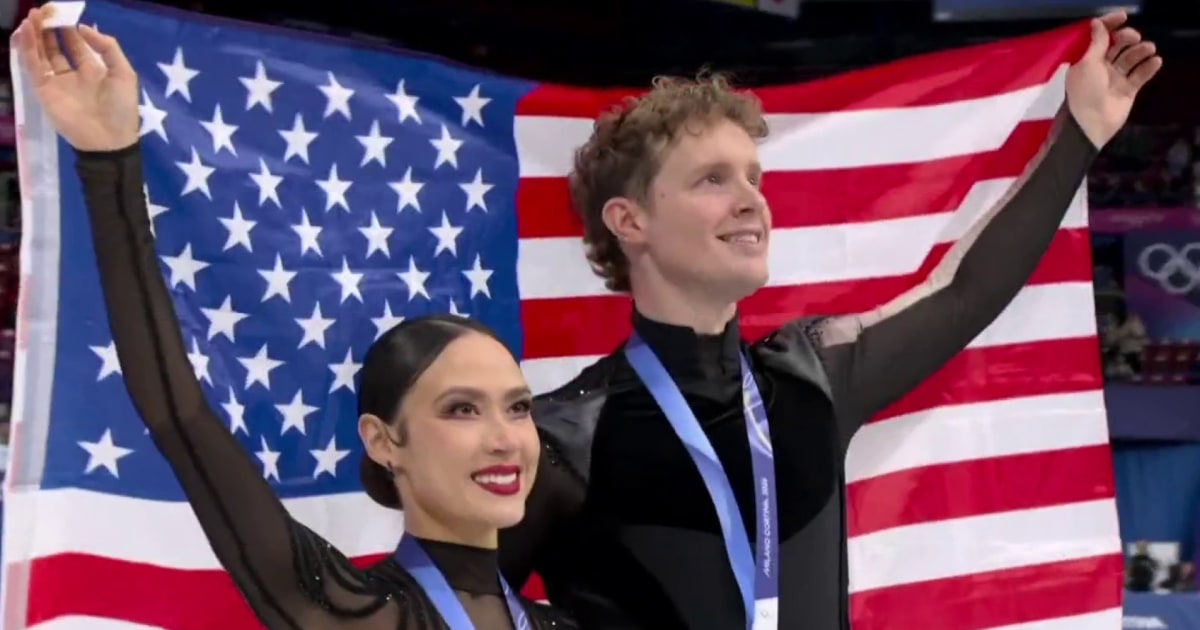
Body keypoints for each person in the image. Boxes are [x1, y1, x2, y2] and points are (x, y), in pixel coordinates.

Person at [496, 10, 1163, 630]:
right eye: (712, 180)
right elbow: (450, 605)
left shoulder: (812, 375)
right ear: (629, 221)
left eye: (753, 178)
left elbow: (968, 292)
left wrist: (1081, 130)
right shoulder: (560, 441)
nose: (752, 201)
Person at [12, 8, 579, 630]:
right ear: (383, 441)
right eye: (461, 409)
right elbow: (179, 415)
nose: (505, 437)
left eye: (518, 406)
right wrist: (109, 159)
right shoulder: (344, 608)